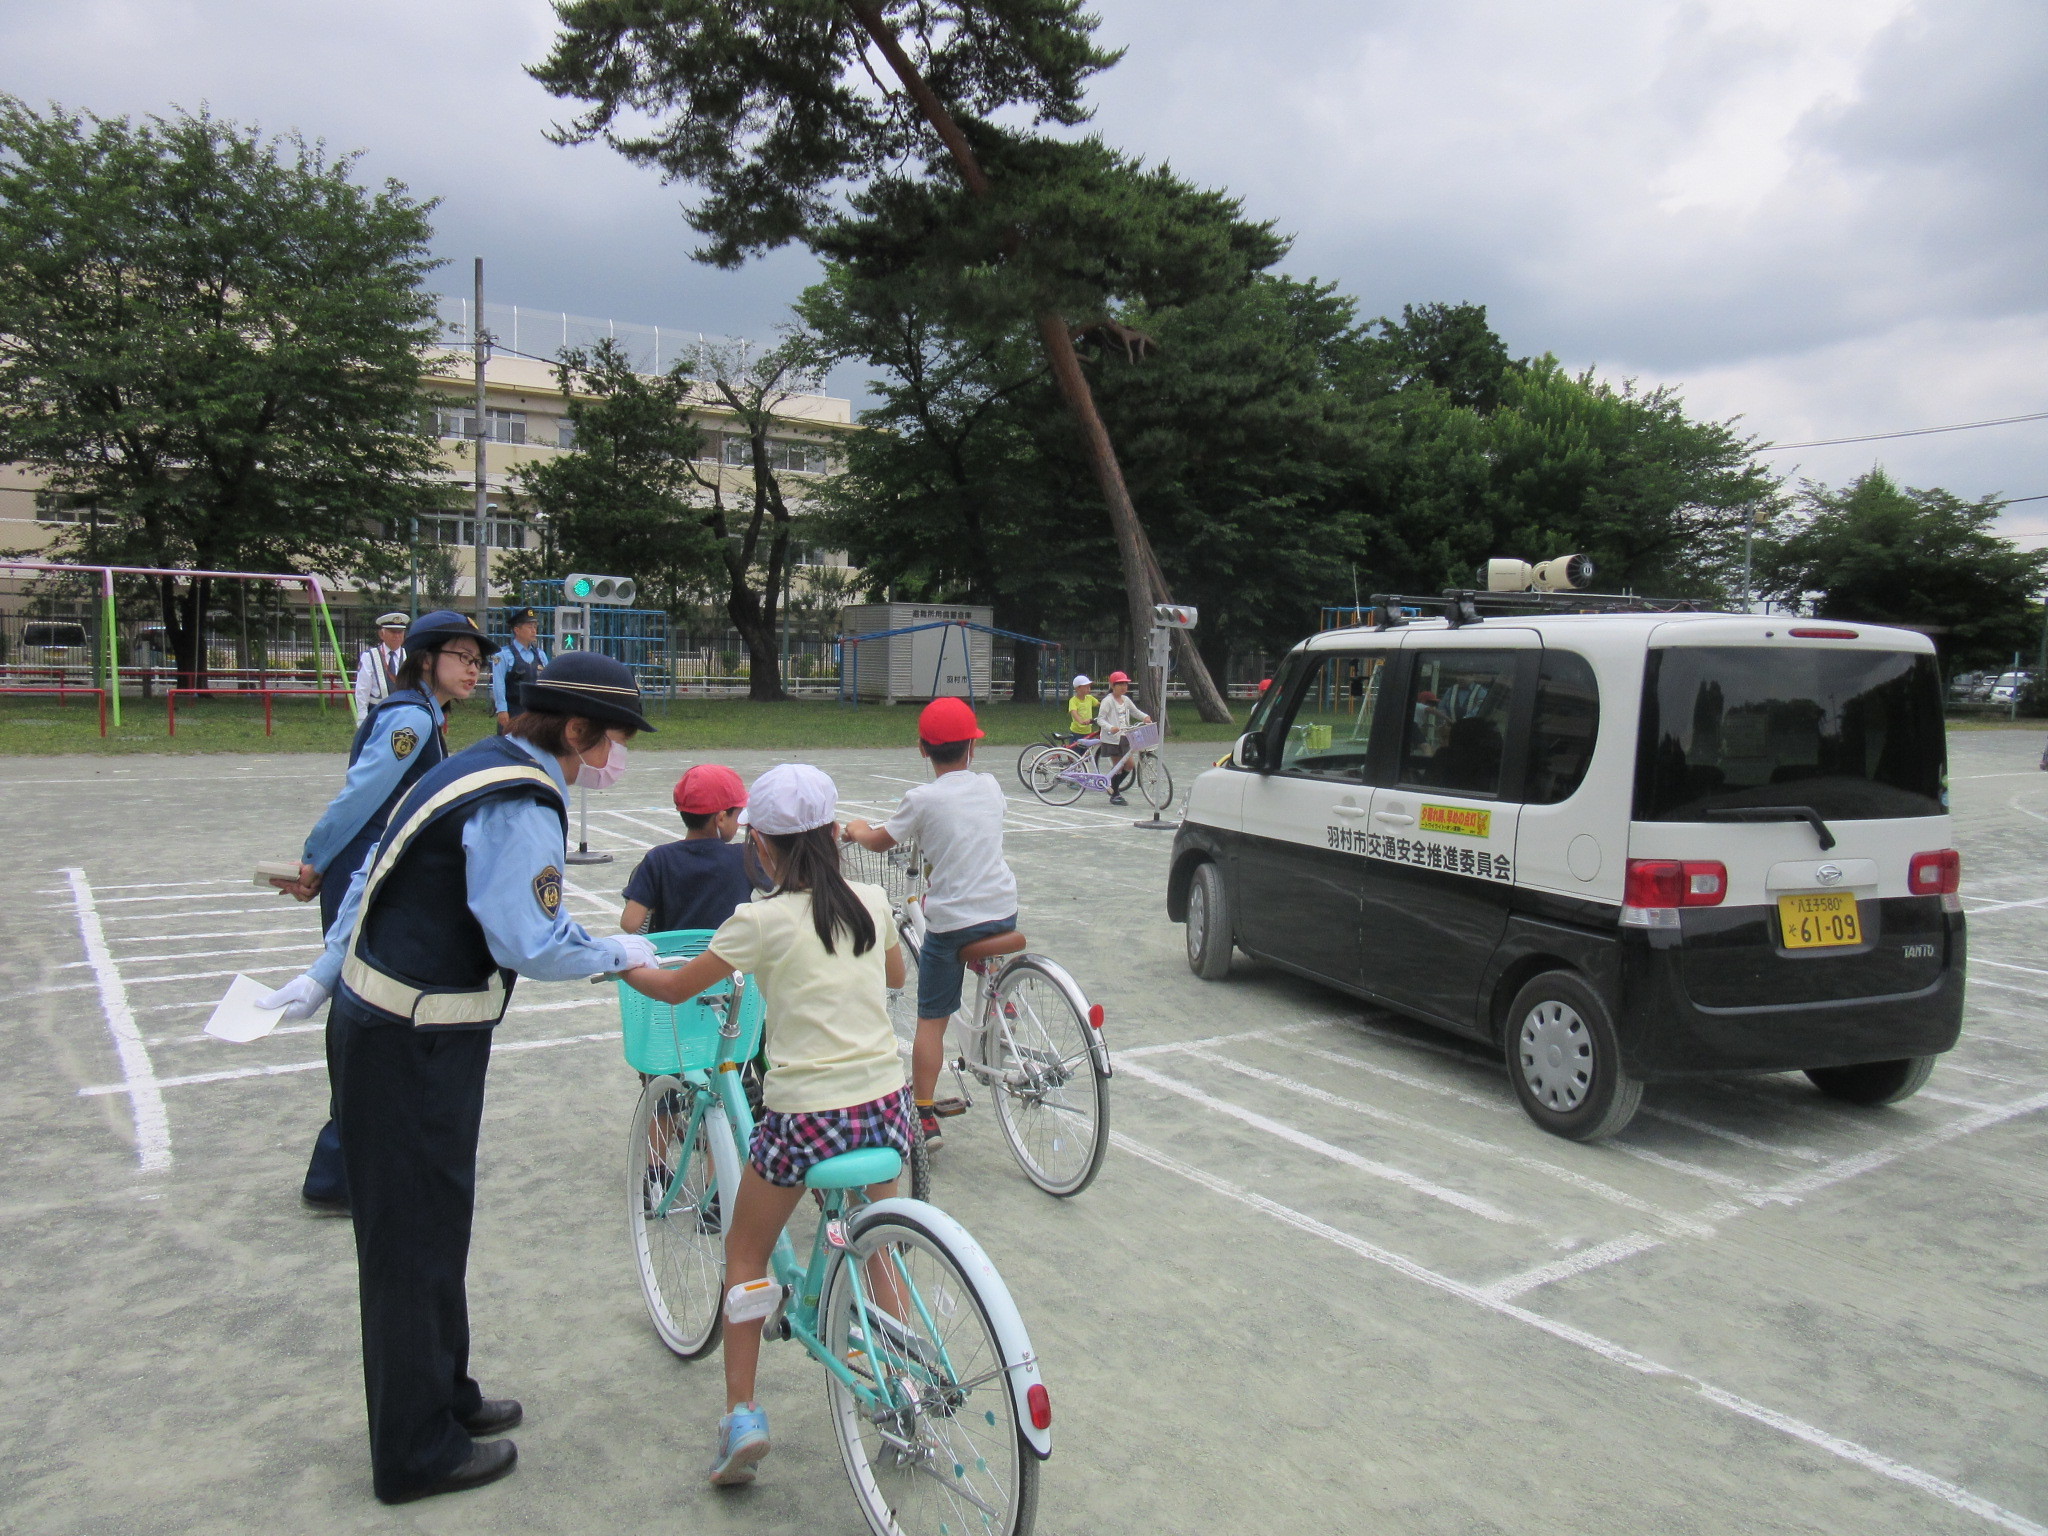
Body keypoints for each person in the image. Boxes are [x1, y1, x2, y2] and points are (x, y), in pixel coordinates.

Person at [255, 652, 662, 1504]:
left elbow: (376, 873)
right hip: (412, 1045)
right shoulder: (519, 798)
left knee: (435, 1228)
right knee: (410, 1246)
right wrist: (622, 952)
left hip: (400, 1031)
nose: (611, 760)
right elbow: (531, 942)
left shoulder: (477, 760)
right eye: (609, 742)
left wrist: (322, 973)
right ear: (574, 729)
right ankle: (415, 1452)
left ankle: (447, 1396)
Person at [619, 762, 909, 1489]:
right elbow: (897, 977)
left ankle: (742, 1415)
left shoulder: (759, 920)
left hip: (805, 1118)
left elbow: (675, 984)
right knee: (878, 1246)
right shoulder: (871, 901)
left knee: (745, 1254)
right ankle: (902, 1377)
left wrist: (617, 959)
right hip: (882, 1105)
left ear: (761, 846)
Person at [272, 609, 491, 1213]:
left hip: (372, 867)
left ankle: (345, 1166)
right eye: (462, 658)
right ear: (425, 660)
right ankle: (340, 1169)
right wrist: (317, 858)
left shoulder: (424, 717)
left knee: (363, 1012)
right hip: (368, 873)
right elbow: (362, 794)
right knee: (363, 1013)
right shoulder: (409, 720)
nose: (474, 670)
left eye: (478, 661)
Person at [841, 697, 1016, 1149]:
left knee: (931, 1018)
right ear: (972, 748)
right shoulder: (991, 786)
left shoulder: (922, 799)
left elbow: (882, 841)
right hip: (1003, 908)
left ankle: (923, 1113)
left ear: (923, 750)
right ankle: (998, 987)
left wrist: (856, 829)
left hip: (954, 921)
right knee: (980, 940)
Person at [619, 763, 753, 936]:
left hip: (674, 959)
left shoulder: (659, 858)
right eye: (737, 815)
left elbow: (630, 923)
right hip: (728, 958)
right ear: (721, 818)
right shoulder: (746, 857)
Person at [1095, 670, 1152, 806]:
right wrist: (1110, 727)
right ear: (1113, 686)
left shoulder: (1126, 700)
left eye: (1125, 684)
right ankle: (1115, 794)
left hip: (1125, 736)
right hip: (1112, 739)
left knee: (1130, 765)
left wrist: (1145, 717)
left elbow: (1134, 711)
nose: (1123, 687)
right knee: (1118, 767)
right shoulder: (1108, 701)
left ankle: (1112, 786)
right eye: (1120, 684)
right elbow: (1100, 719)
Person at [492, 607, 549, 733]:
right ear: (517, 630)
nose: (534, 631)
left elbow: (546, 682)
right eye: (529, 627)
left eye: (535, 626)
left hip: (535, 712)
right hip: (513, 710)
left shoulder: (540, 655)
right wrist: (502, 709)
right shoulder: (503, 655)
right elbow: (498, 683)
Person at [354, 613, 409, 716]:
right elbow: (362, 690)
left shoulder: (409, 656)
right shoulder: (369, 656)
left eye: (400, 632)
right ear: (381, 634)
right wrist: (362, 718)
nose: (397, 636)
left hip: (403, 713)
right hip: (377, 713)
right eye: (392, 632)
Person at [1066, 673, 1098, 740]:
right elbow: (1074, 712)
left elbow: (1101, 704)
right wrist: (1081, 721)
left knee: (1087, 750)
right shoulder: (1073, 701)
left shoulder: (1090, 698)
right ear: (1078, 688)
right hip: (1076, 732)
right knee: (1075, 750)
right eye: (1086, 687)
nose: (1089, 689)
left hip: (1088, 731)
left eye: (1089, 687)